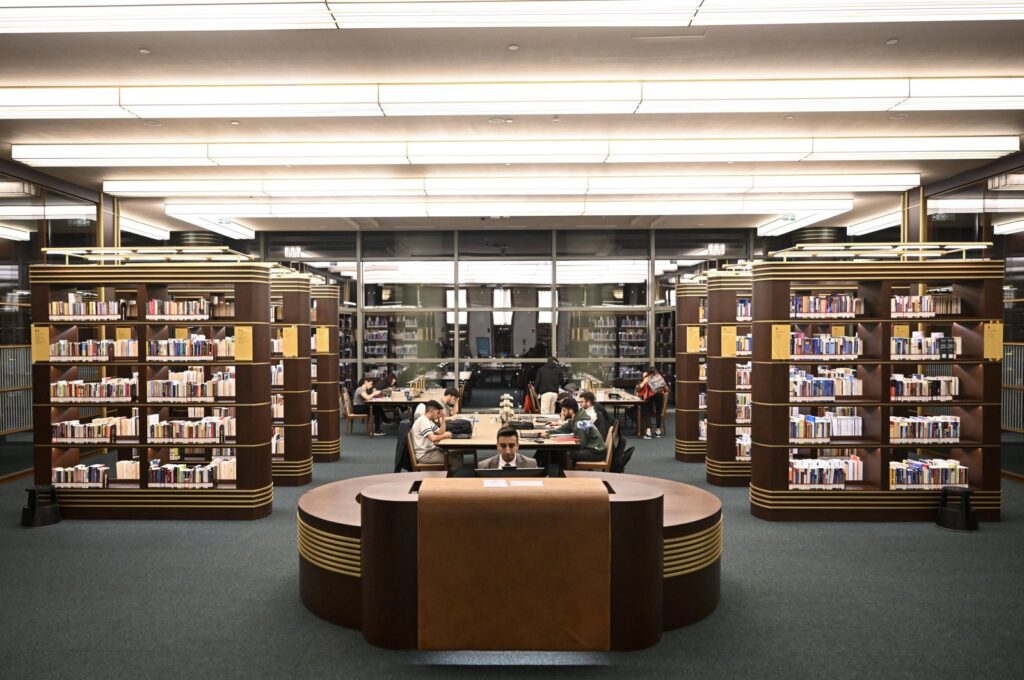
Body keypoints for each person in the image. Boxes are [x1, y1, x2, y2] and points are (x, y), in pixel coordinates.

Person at [546, 397, 605, 465]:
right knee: (562, 451)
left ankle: (567, 473)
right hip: (592, 448)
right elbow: (563, 429)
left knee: (565, 453)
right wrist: (548, 432)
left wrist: (567, 444)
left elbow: (581, 444)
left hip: (595, 452)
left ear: (571, 410)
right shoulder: (576, 418)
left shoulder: (580, 423)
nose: (563, 413)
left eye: (564, 410)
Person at [411, 400, 455, 467]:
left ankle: (443, 475)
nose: (438, 415)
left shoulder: (428, 420)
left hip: (431, 450)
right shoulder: (423, 421)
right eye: (437, 412)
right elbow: (433, 438)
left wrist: (442, 418)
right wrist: (445, 436)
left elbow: (441, 432)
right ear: (431, 411)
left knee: (455, 457)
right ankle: (443, 477)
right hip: (425, 455)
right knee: (457, 462)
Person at [636, 366, 669, 439]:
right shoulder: (659, 376)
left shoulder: (647, 378)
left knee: (647, 412)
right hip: (660, 395)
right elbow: (666, 388)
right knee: (658, 412)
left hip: (650, 396)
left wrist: (644, 381)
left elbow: (639, 389)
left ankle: (648, 432)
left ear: (648, 372)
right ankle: (658, 431)